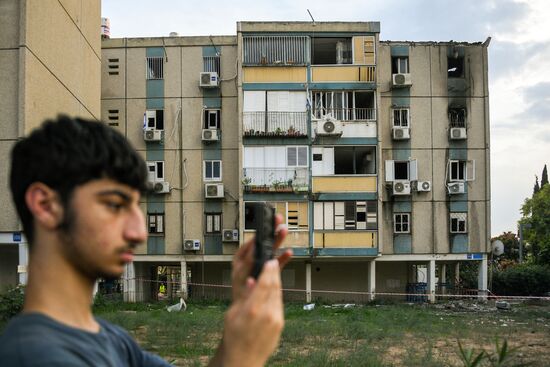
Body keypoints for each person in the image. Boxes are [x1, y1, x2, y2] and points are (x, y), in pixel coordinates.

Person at [0, 115, 292, 366]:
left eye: (137, 207)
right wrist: (244, 357)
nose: (140, 232)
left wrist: (237, 337)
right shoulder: (35, 356)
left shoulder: (113, 341)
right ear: (46, 206)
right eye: (115, 205)